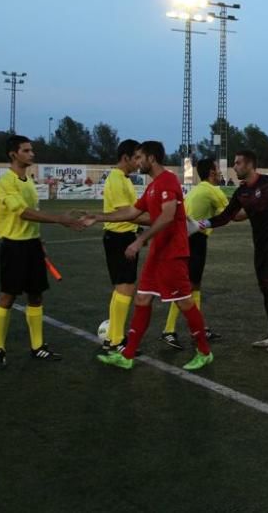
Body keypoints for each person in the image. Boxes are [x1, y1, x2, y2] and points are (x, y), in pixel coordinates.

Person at [89, 141, 213, 371]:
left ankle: (204, 352)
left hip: (173, 252)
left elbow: (167, 217)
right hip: (158, 252)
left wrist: (140, 240)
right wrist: (96, 217)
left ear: (151, 158)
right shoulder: (153, 186)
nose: (137, 162)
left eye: (140, 157)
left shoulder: (168, 181)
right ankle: (126, 355)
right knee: (142, 299)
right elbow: (132, 212)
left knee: (185, 302)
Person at [200, 150, 268, 353]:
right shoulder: (241, 192)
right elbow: (226, 216)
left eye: (238, 163)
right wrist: (203, 223)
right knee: (265, 288)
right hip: (259, 245)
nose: (234, 167)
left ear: (250, 165)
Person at [0, 135, 86, 368]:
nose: (32, 154)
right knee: (8, 296)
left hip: (32, 244)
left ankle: (37, 347)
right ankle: (0, 349)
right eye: (26, 150)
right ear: (13, 154)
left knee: (36, 296)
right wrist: (59, 219)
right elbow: (23, 212)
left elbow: (32, 214)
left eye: (31, 150)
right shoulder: (6, 182)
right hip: (13, 246)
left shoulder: (28, 181)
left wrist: (40, 241)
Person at [160, 157, 226, 348]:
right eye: (218, 169)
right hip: (193, 240)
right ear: (212, 173)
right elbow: (232, 214)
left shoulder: (200, 189)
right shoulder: (212, 190)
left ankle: (197, 328)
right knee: (186, 287)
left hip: (188, 238)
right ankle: (168, 330)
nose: (221, 173)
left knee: (194, 286)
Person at [99, 138, 143, 352]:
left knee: (122, 288)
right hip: (119, 238)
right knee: (125, 288)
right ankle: (116, 341)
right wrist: (155, 221)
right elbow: (125, 213)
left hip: (124, 237)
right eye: (136, 157)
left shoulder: (124, 178)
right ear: (125, 157)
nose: (139, 161)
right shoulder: (116, 179)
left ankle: (112, 338)